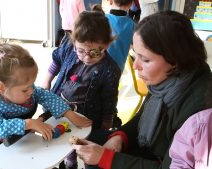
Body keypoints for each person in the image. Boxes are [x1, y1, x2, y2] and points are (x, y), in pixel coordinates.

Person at [71, 11, 212, 169]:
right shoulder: (167, 79)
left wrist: (108, 158)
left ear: (174, 60)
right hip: (152, 149)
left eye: (145, 59)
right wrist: (121, 136)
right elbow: (143, 115)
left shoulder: (198, 116)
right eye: (135, 55)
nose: (135, 65)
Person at [0, 41, 92, 169]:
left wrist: (69, 114)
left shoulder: (26, 89)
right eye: (25, 90)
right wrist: (30, 123)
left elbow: (46, 96)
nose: (32, 91)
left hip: (14, 137)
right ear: (1, 87)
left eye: (32, 85)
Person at [42, 9, 121, 168]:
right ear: (74, 42)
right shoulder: (68, 46)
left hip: (85, 117)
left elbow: (109, 98)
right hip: (59, 106)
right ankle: (68, 160)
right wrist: (47, 81)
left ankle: (74, 161)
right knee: (61, 136)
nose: (86, 57)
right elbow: (56, 60)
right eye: (81, 51)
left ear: (106, 45)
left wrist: (107, 120)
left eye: (94, 52)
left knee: (78, 142)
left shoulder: (110, 69)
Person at [106, 0, 136, 71]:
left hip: (98, 64)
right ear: (131, 4)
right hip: (118, 68)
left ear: (111, 1)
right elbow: (133, 45)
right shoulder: (132, 25)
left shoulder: (102, 18)